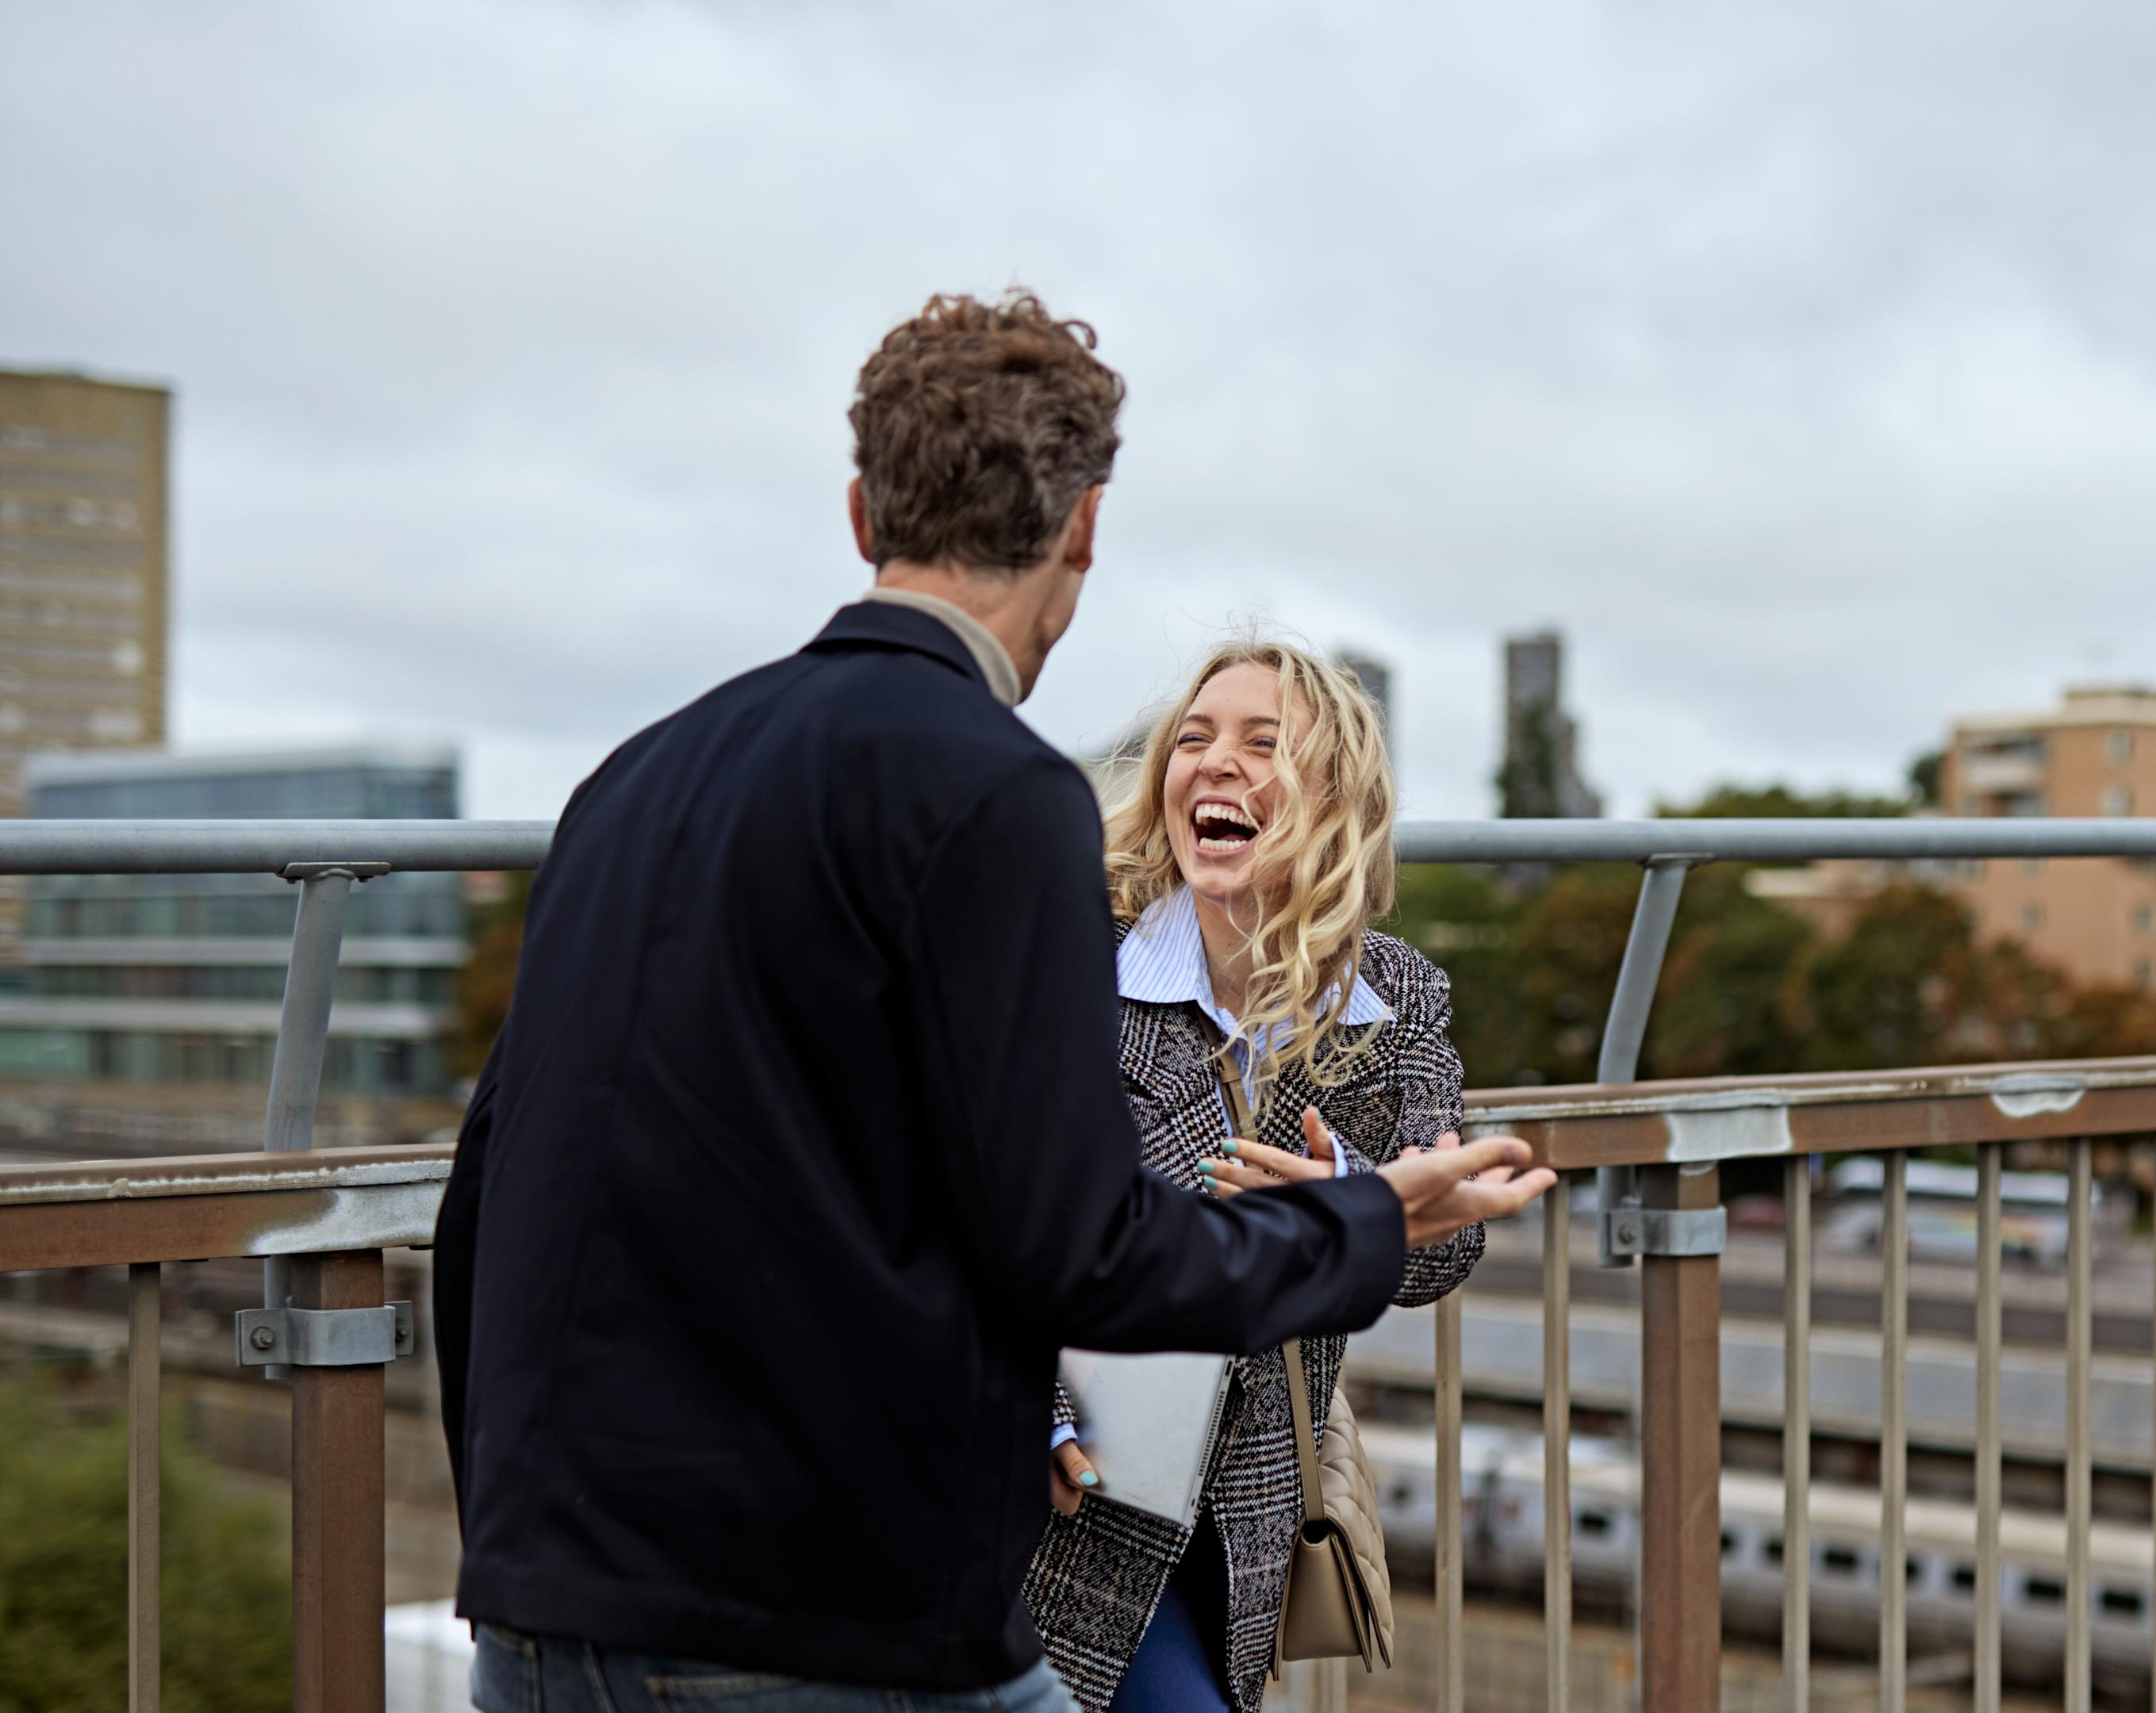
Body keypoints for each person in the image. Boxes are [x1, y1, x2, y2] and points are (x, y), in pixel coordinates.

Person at [432, 289, 1552, 1713]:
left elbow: (495, 1184)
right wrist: (1373, 1215)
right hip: (809, 1629)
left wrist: (520, 1567)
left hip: (540, 1616)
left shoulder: (631, 779)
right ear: (1081, 530)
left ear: (860, 513)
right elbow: (1077, 1252)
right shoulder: (994, 793)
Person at [1027, 640, 1472, 1712]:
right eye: (1194, 739)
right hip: (1054, 1494)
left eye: (1263, 745)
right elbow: (967, 1202)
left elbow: (1446, 1246)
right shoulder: (1073, 960)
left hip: (1231, 1518)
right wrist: (1026, 1412)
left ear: (1332, 797)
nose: (1215, 763)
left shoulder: (1395, 998)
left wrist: (1345, 1199)